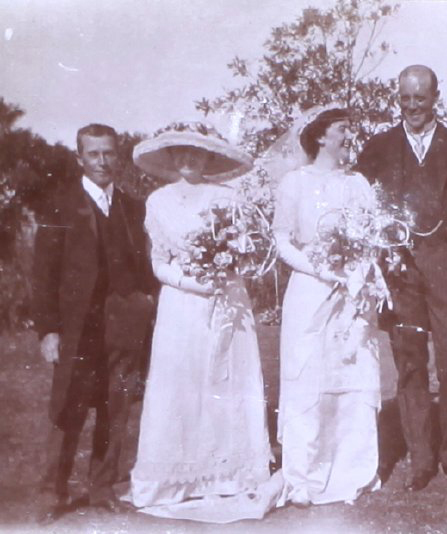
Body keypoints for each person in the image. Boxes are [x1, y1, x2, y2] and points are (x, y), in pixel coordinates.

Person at [356, 64, 447, 490]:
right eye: (405, 98)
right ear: (397, 99)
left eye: (420, 97)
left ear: (436, 96)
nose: (412, 106)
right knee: (411, 362)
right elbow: (361, 205)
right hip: (400, 270)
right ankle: (421, 460)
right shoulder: (379, 146)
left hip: (446, 264)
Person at [127, 123, 276, 522]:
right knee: (181, 382)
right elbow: (158, 262)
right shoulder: (158, 201)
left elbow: (244, 251)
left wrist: (226, 273)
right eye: (181, 153)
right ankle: (175, 481)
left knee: (226, 380)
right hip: (182, 305)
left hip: (228, 301)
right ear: (172, 159)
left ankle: (230, 472)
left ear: (209, 158)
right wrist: (191, 283)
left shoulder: (229, 197)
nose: (189, 160)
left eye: (197, 153)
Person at [32, 123, 157, 519]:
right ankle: (53, 494)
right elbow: (43, 274)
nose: (102, 161)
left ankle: (102, 489)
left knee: (116, 407)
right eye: (94, 154)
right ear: (80, 158)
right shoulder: (60, 205)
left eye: (109, 153)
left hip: (125, 326)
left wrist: (145, 304)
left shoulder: (134, 207)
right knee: (68, 407)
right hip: (77, 328)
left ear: (118, 156)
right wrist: (48, 329)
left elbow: (146, 268)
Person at [272, 106, 381, 506]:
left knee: (351, 371)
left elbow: (371, 238)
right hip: (311, 291)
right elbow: (283, 240)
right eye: (342, 130)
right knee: (309, 377)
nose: (350, 136)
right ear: (320, 137)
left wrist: (355, 274)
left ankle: (353, 467)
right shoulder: (294, 183)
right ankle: (304, 474)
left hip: (353, 292)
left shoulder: (359, 184)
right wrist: (322, 271)